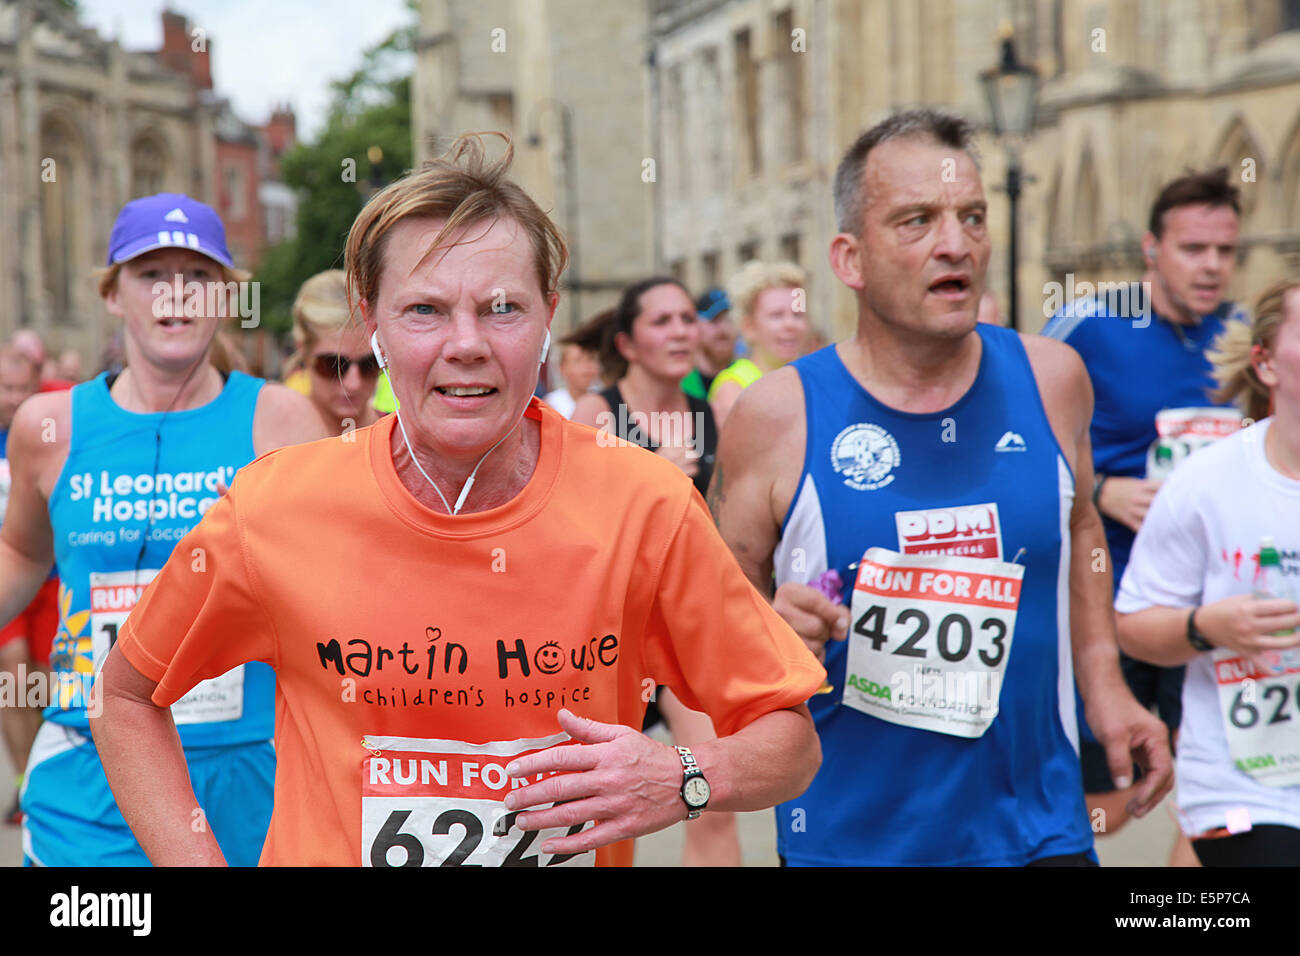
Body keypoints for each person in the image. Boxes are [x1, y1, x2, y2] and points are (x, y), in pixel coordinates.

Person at [89, 133, 825, 867]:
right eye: (425, 311)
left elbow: (789, 738)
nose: (466, 344)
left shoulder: (644, 505)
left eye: (502, 308)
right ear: (370, 321)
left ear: (547, 317)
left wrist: (684, 777)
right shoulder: (275, 506)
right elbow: (124, 697)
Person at [709, 108, 1173, 866]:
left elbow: (1082, 527)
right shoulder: (778, 415)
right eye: (916, 221)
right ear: (850, 258)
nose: (955, 243)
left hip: (1040, 833)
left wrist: (1106, 687)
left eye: (973, 217)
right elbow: (718, 608)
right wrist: (766, 627)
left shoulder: (1053, 380)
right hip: (850, 843)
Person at [0, 192, 327, 866]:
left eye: (199, 277)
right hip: (88, 775)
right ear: (114, 295)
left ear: (226, 298)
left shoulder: (281, 423)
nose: (175, 296)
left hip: (242, 771)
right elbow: (20, 553)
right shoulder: (49, 427)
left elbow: (328, 594)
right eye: (152, 275)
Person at [1043, 168, 1245, 845]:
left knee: (1217, 796)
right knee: (1107, 801)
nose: (1212, 266)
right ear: (1152, 248)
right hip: (1111, 596)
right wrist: (1102, 493)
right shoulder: (1090, 326)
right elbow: (1016, 436)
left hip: (1210, 603)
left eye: (1225, 250)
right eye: (1194, 249)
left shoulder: (1245, 337)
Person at [1116, 278, 1300, 865]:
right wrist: (1207, 626)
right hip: (1247, 788)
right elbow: (1134, 626)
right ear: (1265, 363)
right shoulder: (1208, 485)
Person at [570, 278, 736, 865]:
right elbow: (575, 535)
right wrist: (648, 476)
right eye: (662, 322)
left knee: (710, 797)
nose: (680, 333)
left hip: (683, 630)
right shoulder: (597, 413)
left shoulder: (711, 413)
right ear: (629, 342)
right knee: (603, 818)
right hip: (610, 635)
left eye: (687, 320)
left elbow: (719, 531)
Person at [0, 346, 51, 825]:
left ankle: (48, 766)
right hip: (7, 576)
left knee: (49, 677)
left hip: (53, 577)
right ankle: (24, 781)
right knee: (13, 678)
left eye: (22, 388)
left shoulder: (50, 427)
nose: (14, 398)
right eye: (5, 389)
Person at [708, 260, 809, 428]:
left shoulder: (808, 379)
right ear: (749, 327)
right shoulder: (733, 388)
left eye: (798, 315)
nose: (790, 324)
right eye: (777, 315)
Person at [290, 270, 383, 435]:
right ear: (303, 350)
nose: (354, 384)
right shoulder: (270, 440)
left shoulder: (405, 442)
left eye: (370, 364)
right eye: (334, 365)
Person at [681, 287, 736, 400]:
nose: (723, 328)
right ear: (695, 325)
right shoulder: (680, 385)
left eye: (729, 320)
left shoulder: (747, 379)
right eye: (714, 320)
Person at [542, 341, 599, 419]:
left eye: (591, 359)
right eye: (578, 361)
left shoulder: (603, 399)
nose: (586, 366)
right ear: (562, 368)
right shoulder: (552, 403)